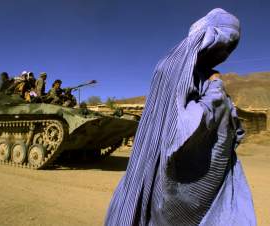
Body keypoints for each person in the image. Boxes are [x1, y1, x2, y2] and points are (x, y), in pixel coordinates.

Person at [105, 8, 256, 226]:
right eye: (222, 45)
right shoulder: (186, 70)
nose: (222, 53)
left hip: (151, 161)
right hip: (168, 173)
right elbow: (187, 125)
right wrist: (216, 89)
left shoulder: (171, 65)